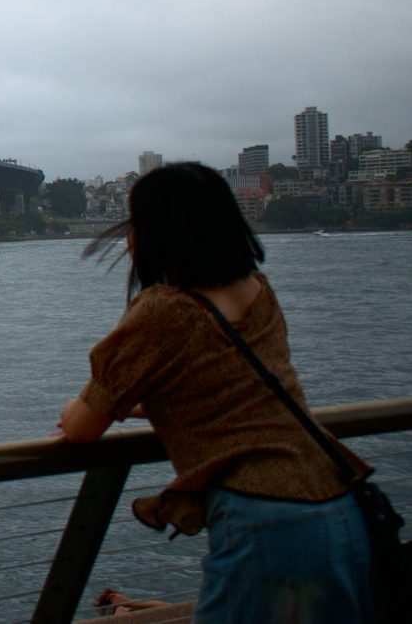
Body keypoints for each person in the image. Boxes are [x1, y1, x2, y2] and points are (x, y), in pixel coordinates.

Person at [57, 162, 374, 622]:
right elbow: (228, 390)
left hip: (267, 521)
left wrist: (74, 408)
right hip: (340, 502)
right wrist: (153, 409)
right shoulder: (256, 289)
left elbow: (83, 426)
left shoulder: (164, 309)